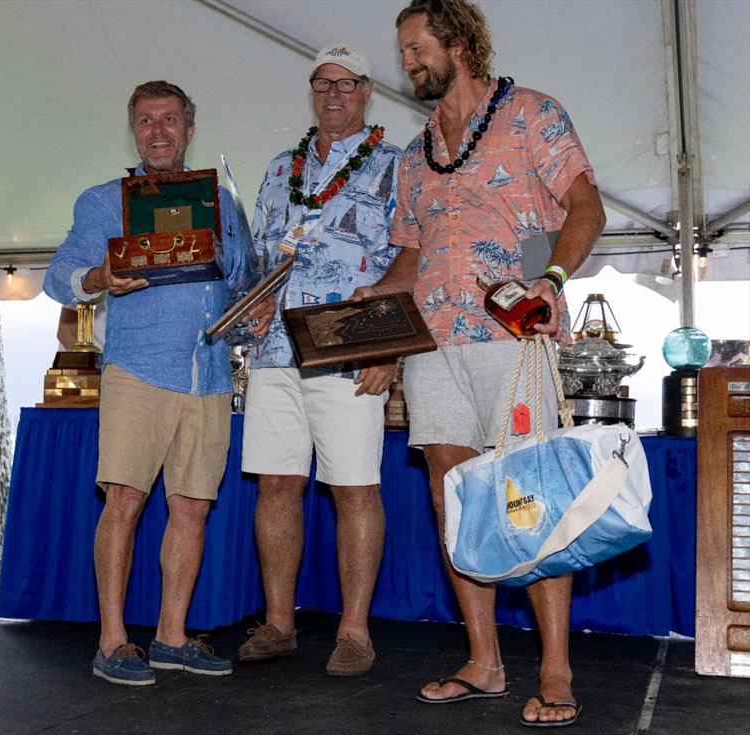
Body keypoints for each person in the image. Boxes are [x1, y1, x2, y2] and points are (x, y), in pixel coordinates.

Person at [356, 1, 606, 726]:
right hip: (432, 348)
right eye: (403, 51)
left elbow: (586, 206)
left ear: (459, 43)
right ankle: (485, 660)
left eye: (414, 48)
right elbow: (411, 254)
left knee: (529, 496)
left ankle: (555, 669)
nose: (406, 63)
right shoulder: (413, 156)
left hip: (512, 337)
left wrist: (551, 281)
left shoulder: (533, 114)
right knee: (454, 499)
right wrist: (367, 303)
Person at [44, 81, 273, 686]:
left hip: (211, 374)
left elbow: (244, 281)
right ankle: (113, 641)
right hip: (138, 369)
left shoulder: (224, 205)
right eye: (146, 121)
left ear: (189, 129)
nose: (159, 132)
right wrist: (100, 275)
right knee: (125, 502)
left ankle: (172, 638)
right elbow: (57, 276)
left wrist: (254, 307)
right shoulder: (101, 201)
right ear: (133, 130)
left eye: (169, 120)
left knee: (193, 508)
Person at [238, 45, 403, 676]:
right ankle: (280, 623)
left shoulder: (395, 165)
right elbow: (258, 259)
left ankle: (354, 633)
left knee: (354, 488)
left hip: (350, 350)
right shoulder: (281, 168)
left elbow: (409, 260)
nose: (333, 93)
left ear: (367, 91)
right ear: (312, 92)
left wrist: (390, 349)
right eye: (322, 83)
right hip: (275, 352)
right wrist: (249, 309)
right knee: (277, 484)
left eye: (346, 83)